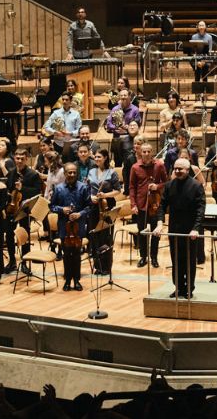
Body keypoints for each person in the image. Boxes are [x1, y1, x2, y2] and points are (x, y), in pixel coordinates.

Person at [158, 158, 206, 299]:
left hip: (190, 229)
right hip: (174, 229)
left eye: (181, 169)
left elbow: (200, 210)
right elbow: (162, 205)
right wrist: (160, 222)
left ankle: (189, 289)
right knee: (176, 260)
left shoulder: (196, 186)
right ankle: (179, 288)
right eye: (176, 169)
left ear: (187, 170)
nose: (178, 171)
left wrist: (196, 228)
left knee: (189, 261)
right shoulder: (169, 185)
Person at [48, 163, 95, 291]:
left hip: (78, 227)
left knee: (77, 254)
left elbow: (89, 206)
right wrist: (62, 209)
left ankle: (76, 280)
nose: (72, 174)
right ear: (65, 174)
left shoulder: (83, 188)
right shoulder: (58, 189)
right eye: (70, 172)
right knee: (66, 254)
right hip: (64, 227)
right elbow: (51, 206)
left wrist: (79, 214)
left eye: (74, 172)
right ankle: (67, 280)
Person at [128, 140, 167, 268]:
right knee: (142, 232)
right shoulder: (135, 167)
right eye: (144, 151)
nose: (146, 154)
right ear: (140, 152)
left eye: (148, 151)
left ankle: (154, 257)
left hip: (155, 204)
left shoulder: (159, 165)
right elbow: (132, 187)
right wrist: (133, 204)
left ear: (152, 152)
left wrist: (157, 186)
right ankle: (143, 257)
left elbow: (167, 183)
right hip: (141, 205)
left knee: (156, 233)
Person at [87, 150, 122, 273]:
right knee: (95, 235)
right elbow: (88, 188)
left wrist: (105, 195)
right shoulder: (91, 171)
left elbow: (118, 191)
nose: (96, 159)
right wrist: (91, 197)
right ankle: (98, 266)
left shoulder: (111, 173)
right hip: (93, 206)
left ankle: (106, 266)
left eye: (99, 157)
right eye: (95, 156)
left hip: (107, 205)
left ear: (105, 158)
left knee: (105, 236)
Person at [105, 89, 142, 166]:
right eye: (121, 96)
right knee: (117, 162)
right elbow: (108, 124)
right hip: (117, 137)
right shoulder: (115, 109)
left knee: (129, 161)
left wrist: (127, 128)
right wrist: (116, 128)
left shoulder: (135, 109)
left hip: (129, 138)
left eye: (125, 95)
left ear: (129, 97)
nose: (123, 97)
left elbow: (138, 124)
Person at [189, 21, 217, 87]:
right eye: (200, 25)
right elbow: (193, 51)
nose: (201, 27)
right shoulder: (194, 37)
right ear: (198, 27)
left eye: (203, 25)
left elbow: (209, 50)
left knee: (205, 77)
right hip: (197, 60)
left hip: (206, 60)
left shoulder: (209, 37)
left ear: (205, 27)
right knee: (197, 77)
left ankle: (205, 94)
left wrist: (204, 61)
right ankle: (197, 94)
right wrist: (198, 62)